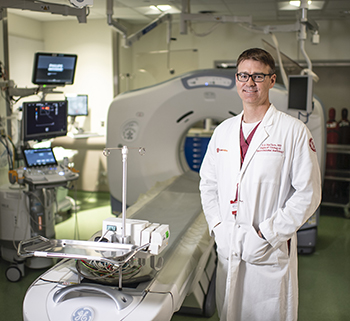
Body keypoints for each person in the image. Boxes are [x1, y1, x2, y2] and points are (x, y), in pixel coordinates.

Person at [199, 48, 321, 321]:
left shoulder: (293, 132)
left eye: (258, 76)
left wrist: (266, 234)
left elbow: (308, 194)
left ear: (272, 80)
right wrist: (218, 226)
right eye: (244, 75)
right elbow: (208, 184)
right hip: (229, 243)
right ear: (236, 79)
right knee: (230, 311)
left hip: (268, 249)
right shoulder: (224, 131)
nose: (249, 83)